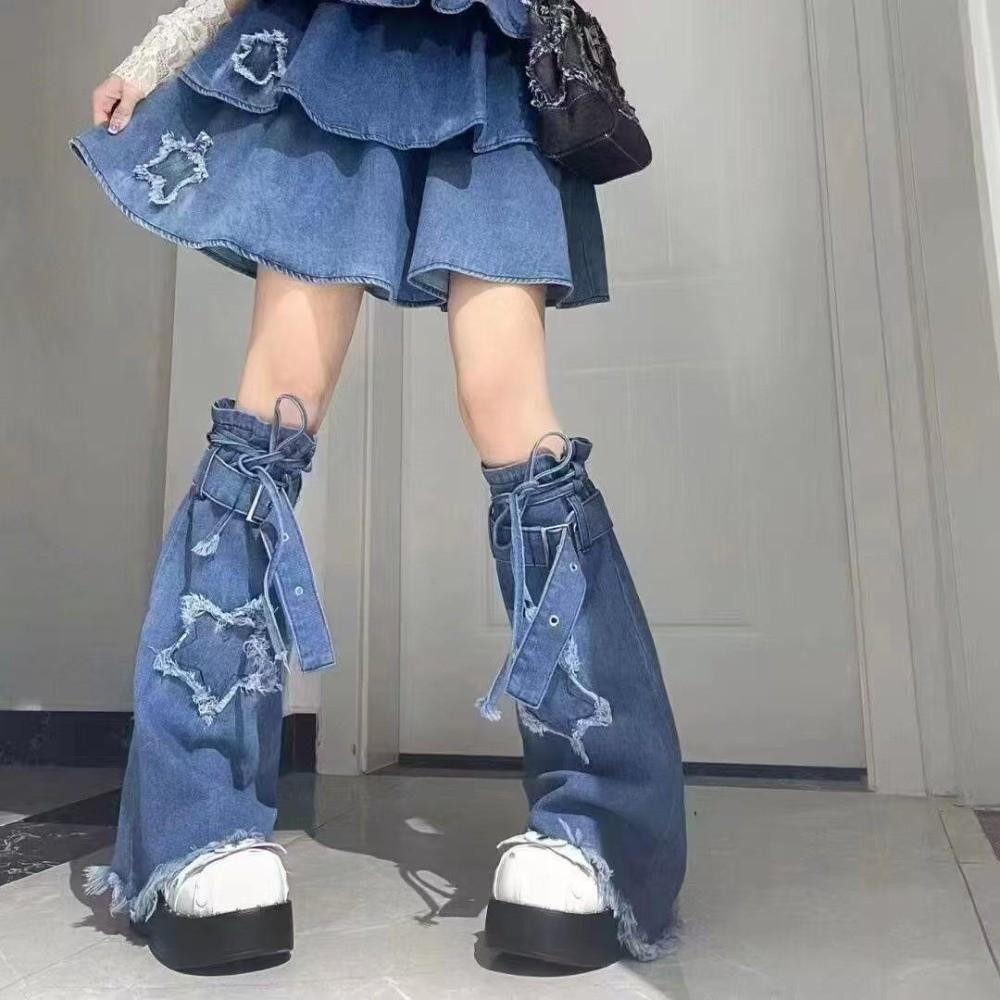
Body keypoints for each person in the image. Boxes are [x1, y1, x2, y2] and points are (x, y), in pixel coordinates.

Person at [71, 0, 687, 973]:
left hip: (488, 60)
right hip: (339, 50)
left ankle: (605, 827)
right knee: (275, 403)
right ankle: (198, 817)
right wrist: (158, 55)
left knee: (511, 412)